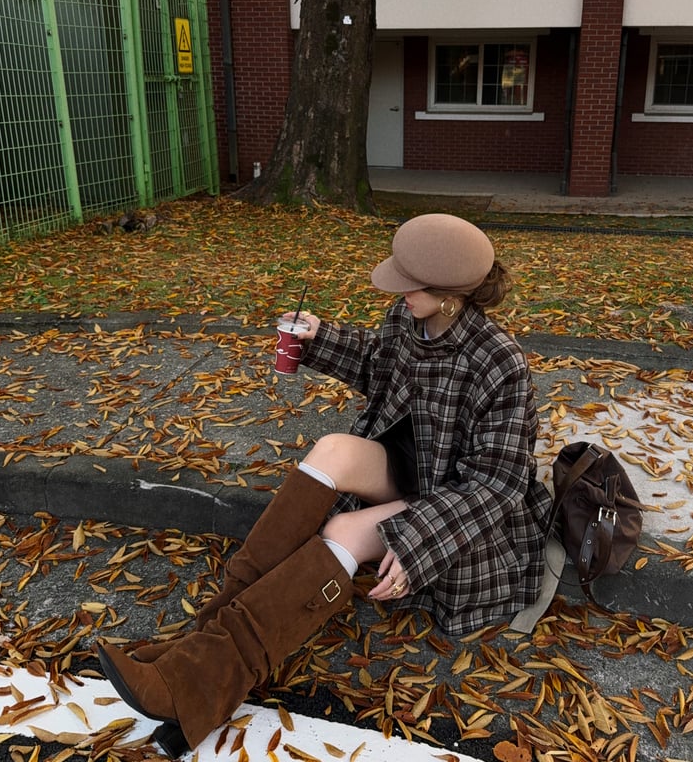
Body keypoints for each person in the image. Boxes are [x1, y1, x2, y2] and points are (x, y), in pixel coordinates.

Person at [97, 213, 552, 758]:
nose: (398, 292)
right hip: (410, 467)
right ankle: (199, 652)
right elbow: (378, 363)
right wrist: (319, 338)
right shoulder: (408, 317)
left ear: (450, 296)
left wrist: (420, 539)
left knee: (343, 532)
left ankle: (198, 681)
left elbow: (498, 483)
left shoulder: (499, 361)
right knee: (333, 448)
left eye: (410, 284)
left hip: (458, 504)